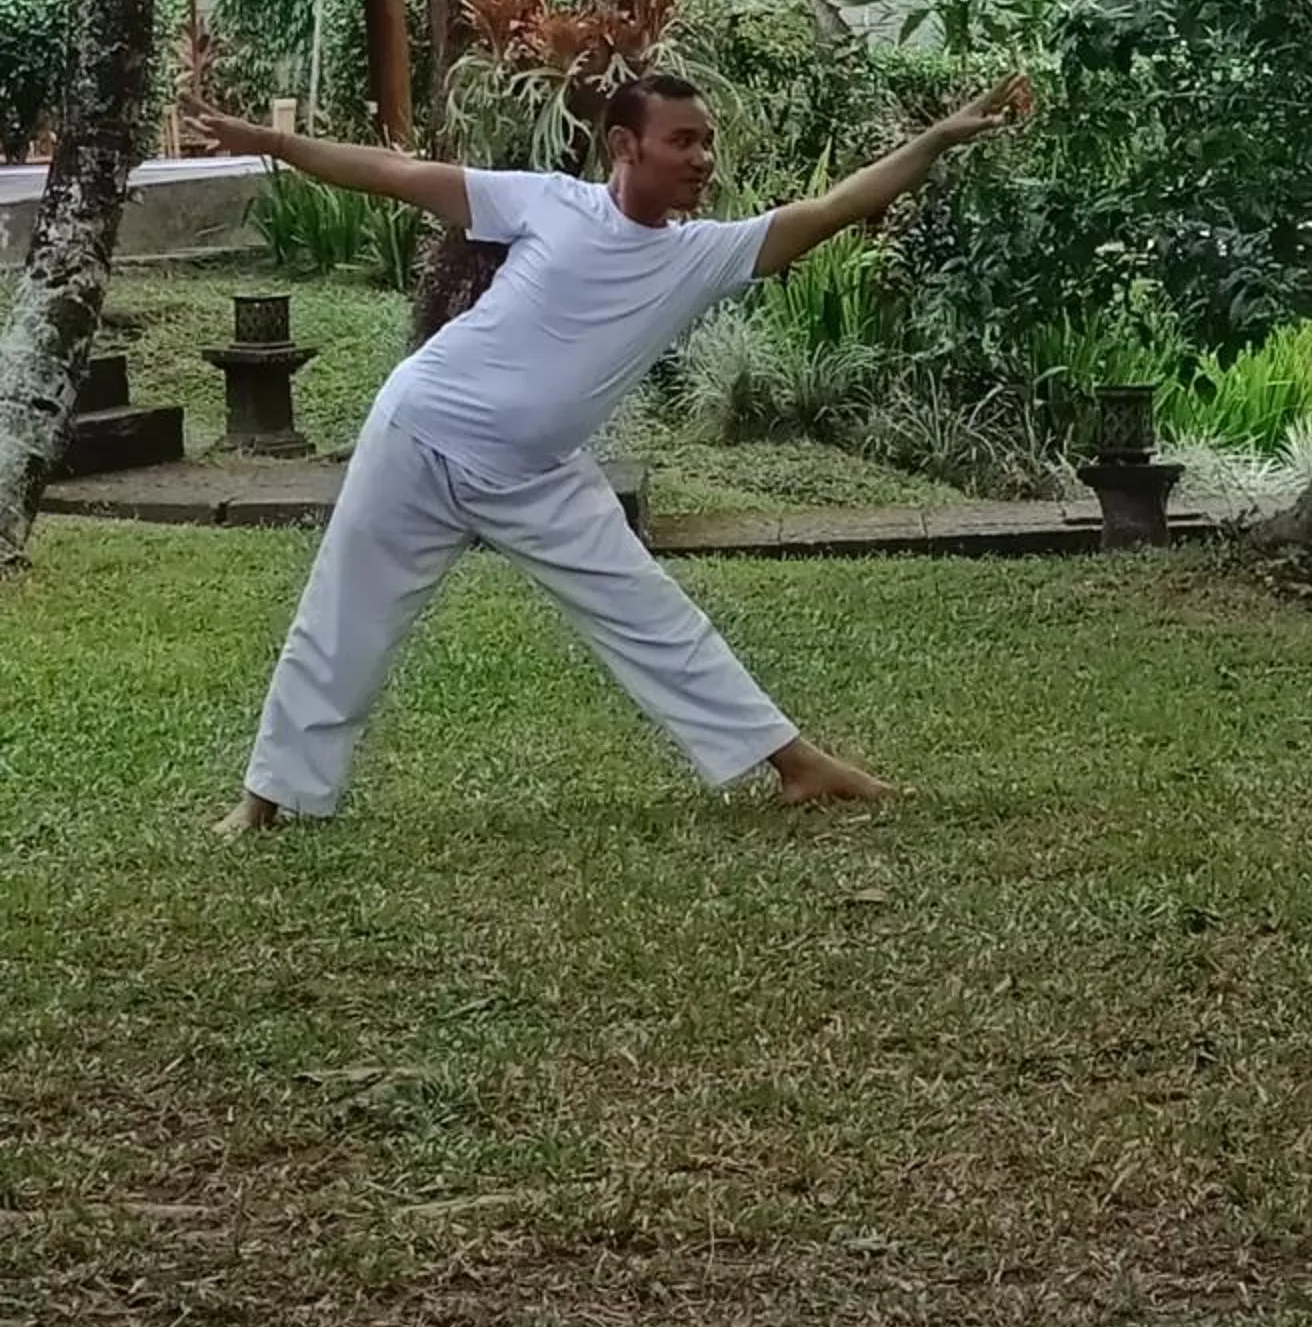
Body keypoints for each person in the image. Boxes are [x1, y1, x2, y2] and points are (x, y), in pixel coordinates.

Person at [189, 71, 1033, 836]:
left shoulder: (701, 254)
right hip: (420, 431)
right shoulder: (546, 202)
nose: (702, 158)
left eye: (707, 141)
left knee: (652, 614)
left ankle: (797, 767)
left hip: (536, 475)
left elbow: (836, 210)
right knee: (345, 617)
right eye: (683, 140)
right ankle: (267, 800)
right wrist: (272, 143)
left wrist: (934, 138)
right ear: (625, 147)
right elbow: (392, 173)